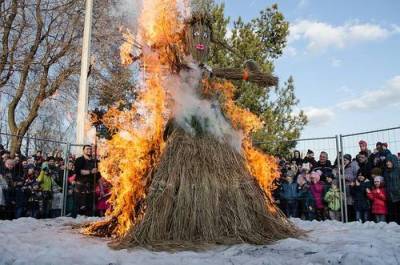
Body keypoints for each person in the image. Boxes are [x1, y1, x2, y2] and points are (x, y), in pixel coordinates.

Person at [73, 145, 99, 217]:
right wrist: (90, 171)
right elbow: (78, 171)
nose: (89, 151)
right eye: (87, 149)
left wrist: (101, 188)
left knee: (90, 208)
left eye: (90, 149)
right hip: (81, 187)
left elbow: (98, 176)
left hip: (91, 188)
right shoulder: (79, 160)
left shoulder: (94, 162)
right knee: (80, 208)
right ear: (83, 150)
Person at [383, 154, 400, 224]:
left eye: (389, 161)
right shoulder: (385, 172)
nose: (387, 163)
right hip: (389, 197)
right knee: (391, 217)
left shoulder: (398, 170)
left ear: (393, 161)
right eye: (387, 161)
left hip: (398, 197)